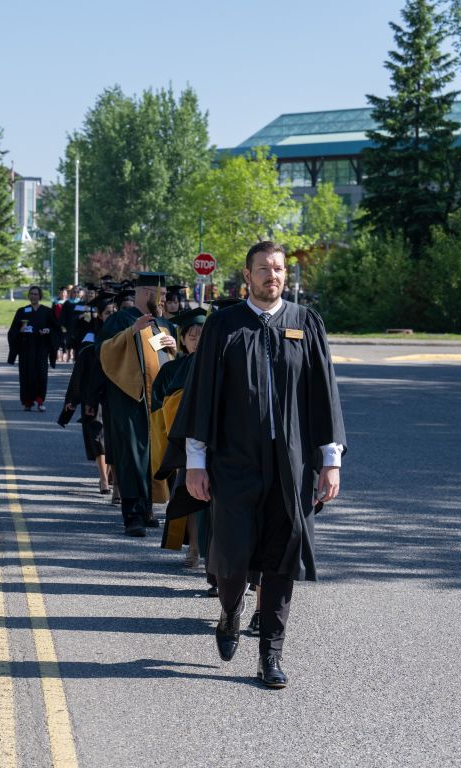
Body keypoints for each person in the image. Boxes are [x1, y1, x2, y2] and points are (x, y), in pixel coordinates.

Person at [168, 241, 346, 689]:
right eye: (264, 268)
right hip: (233, 462)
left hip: (292, 465)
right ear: (246, 275)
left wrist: (330, 461)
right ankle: (229, 610)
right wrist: (195, 462)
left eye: (280, 269)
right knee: (230, 555)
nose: (273, 276)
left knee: (282, 557)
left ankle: (271, 654)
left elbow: (324, 396)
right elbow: (202, 396)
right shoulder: (224, 325)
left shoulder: (305, 323)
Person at [96, 272, 177, 536]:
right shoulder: (122, 319)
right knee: (132, 455)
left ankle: (147, 508)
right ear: (145, 293)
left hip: (157, 401)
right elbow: (104, 351)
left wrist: (174, 346)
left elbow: (172, 358)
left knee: (153, 455)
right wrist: (132, 332)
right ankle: (133, 515)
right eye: (161, 295)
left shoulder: (163, 323)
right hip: (130, 398)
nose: (164, 299)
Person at [151, 307, 208, 568]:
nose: (197, 337)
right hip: (185, 442)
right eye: (191, 334)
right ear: (182, 339)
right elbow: (159, 407)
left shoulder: (216, 365)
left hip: (216, 441)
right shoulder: (171, 370)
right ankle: (195, 548)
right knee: (192, 496)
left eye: (201, 333)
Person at [62, 292, 115, 493]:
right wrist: (73, 399)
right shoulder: (91, 338)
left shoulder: (121, 335)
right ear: (99, 315)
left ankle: (110, 475)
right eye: (107, 312)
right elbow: (80, 372)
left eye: (114, 312)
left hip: (114, 393)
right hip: (93, 395)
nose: (111, 315)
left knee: (110, 437)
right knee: (97, 437)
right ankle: (103, 479)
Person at [7, 285, 59, 411]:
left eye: (36, 294)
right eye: (31, 294)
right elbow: (12, 331)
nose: (33, 296)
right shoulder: (22, 311)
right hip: (26, 348)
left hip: (41, 348)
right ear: (28, 295)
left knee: (41, 374)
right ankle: (27, 402)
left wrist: (48, 330)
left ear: (40, 296)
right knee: (26, 375)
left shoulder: (47, 311)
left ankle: (40, 401)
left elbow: (57, 329)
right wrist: (20, 330)